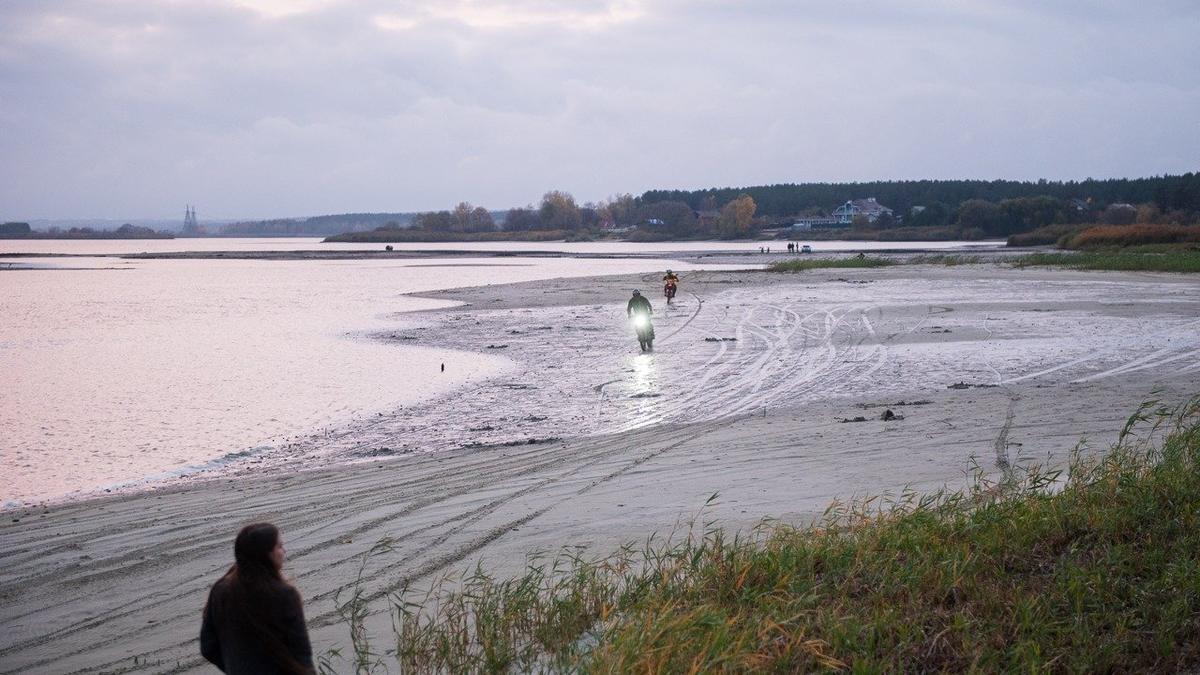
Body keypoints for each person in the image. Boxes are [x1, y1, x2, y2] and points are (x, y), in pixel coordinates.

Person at [201, 523, 314, 675]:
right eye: (279, 546)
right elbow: (302, 654)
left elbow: (208, 647)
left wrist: (234, 667)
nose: (284, 551)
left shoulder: (220, 590)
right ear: (266, 554)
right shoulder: (284, 595)